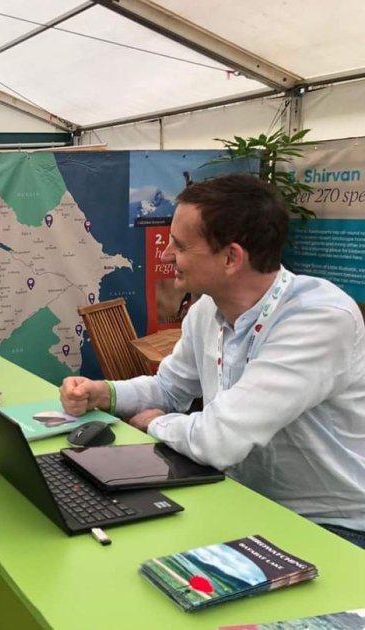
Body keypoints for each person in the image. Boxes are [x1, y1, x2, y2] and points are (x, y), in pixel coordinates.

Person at [60, 173, 365, 548]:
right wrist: (103, 394)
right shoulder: (207, 310)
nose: (166, 255)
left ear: (231, 258)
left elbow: (219, 440)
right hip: (243, 499)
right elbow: (169, 388)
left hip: (332, 527)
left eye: (180, 246)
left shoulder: (319, 319)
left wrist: (155, 423)